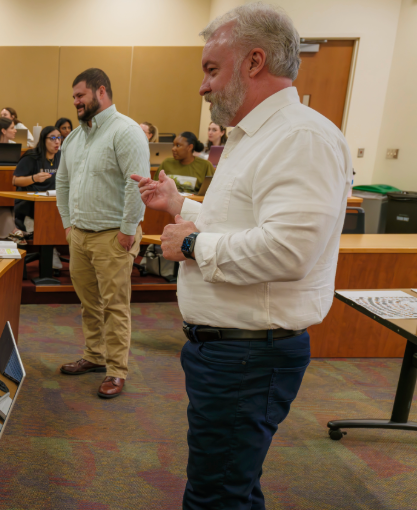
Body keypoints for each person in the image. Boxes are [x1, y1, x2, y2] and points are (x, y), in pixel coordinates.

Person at [132, 5, 351, 509]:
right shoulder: (254, 137)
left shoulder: (300, 137)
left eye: (211, 69)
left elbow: (287, 250)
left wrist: (188, 244)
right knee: (231, 485)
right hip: (231, 352)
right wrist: (180, 205)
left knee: (216, 495)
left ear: (254, 62)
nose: (203, 87)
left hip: (250, 355)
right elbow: (240, 219)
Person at [56, 68, 147, 399]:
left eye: (81, 95)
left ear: (102, 92)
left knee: (114, 305)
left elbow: (136, 184)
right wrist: (67, 224)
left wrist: (127, 230)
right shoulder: (74, 137)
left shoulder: (125, 132)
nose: (76, 102)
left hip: (113, 236)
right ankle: (94, 356)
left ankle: (116, 370)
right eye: (74, 97)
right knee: (89, 303)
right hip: (79, 234)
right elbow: (63, 182)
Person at [12, 126, 61, 232]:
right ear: (44, 140)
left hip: (52, 202)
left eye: (59, 138)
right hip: (30, 204)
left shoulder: (61, 156)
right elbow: (15, 180)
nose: (57, 141)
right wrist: (34, 178)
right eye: (52, 138)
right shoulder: (32, 157)